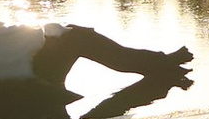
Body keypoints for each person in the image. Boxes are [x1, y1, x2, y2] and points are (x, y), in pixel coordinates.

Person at [29, 25, 193, 102]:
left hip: (72, 38)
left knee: (121, 60)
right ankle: (167, 61)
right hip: (72, 37)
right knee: (122, 59)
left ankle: (167, 62)